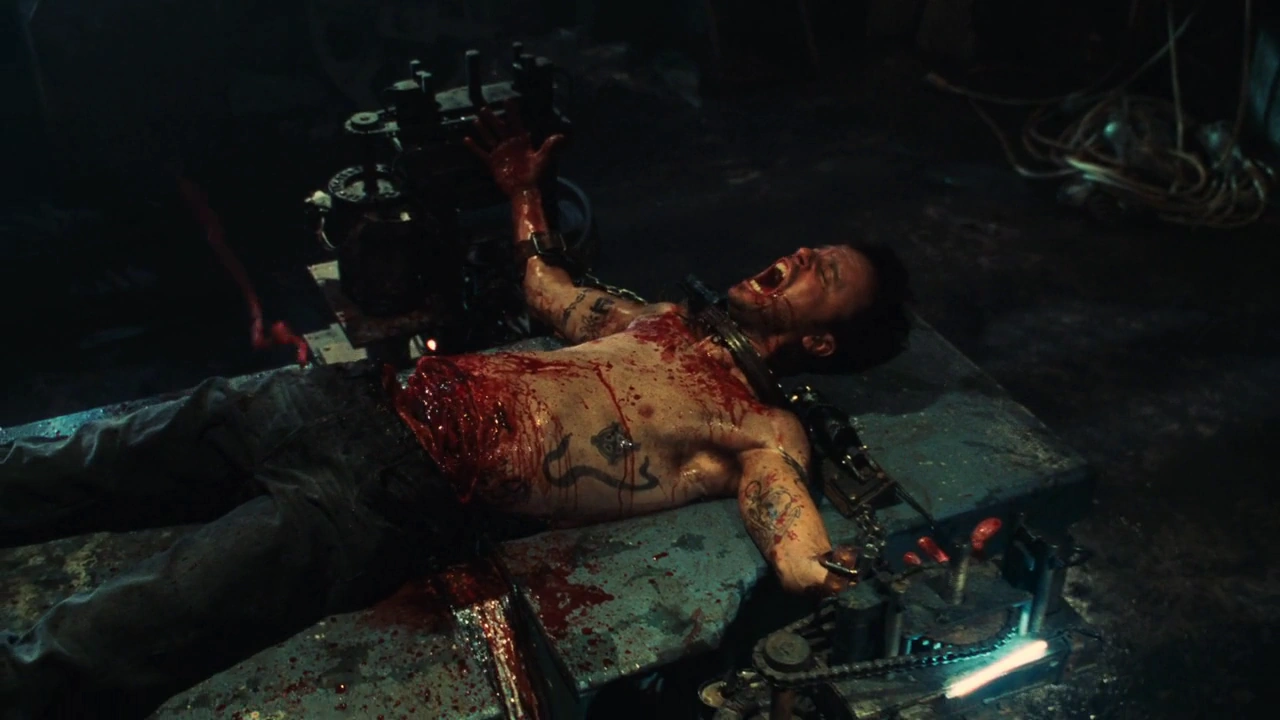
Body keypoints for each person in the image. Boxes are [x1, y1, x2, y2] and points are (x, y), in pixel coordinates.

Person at [0, 108, 911, 719]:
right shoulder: (659, 322)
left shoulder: (760, 427)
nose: (800, 255)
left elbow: (795, 544)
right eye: (812, 248)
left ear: (822, 341)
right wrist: (522, 189)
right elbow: (549, 288)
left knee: (112, 631)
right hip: (339, 401)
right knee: (74, 461)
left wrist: (847, 580)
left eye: (825, 272)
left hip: (383, 497)